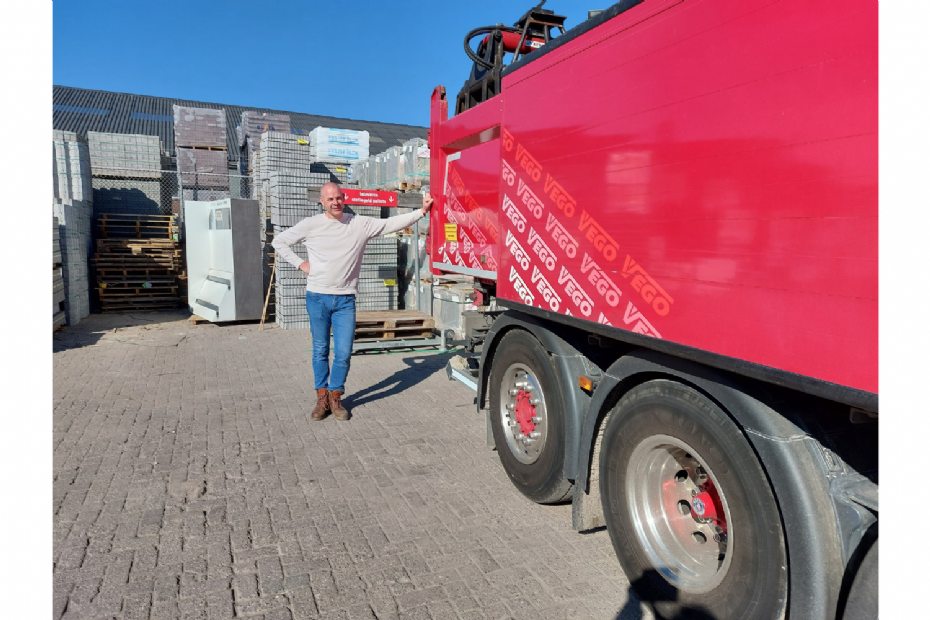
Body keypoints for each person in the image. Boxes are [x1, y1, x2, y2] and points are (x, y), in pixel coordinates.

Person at [272, 182, 434, 421]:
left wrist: (421, 212)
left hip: (345, 300)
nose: (335, 202)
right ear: (322, 202)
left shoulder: (359, 224)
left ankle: (336, 395)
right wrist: (301, 264)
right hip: (317, 297)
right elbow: (279, 241)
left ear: (344, 198)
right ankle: (322, 397)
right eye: (330, 199)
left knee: (344, 352)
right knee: (320, 349)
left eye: (338, 198)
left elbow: (390, 224)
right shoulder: (311, 225)